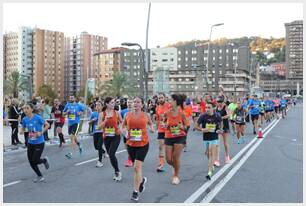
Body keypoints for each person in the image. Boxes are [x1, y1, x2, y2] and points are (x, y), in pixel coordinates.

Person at [122, 97, 154, 202]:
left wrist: (151, 128)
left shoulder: (146, 115)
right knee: (137, 169)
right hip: (131, 144)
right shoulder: (127, 115)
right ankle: (141, 181)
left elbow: (151, 124)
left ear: (142, 104)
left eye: (138, 102)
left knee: (136, 167)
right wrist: (125, 133)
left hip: (143, 144)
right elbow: (122, 127)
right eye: (134, 102)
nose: (135, 103)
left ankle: (135, 192)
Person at [20, 103, 50, 183]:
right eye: (24, 108)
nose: (25, 110)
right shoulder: (24, 119)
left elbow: (47, 125)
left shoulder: (38, 117)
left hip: (39, 142)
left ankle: (44, 161)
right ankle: (40, 176)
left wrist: (41, 132)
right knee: (31, 161)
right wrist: (21, 131)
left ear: (32, 109)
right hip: (30, 143)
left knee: (35, 160)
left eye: (27, 108)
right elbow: (22, 128)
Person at [97, 97, 123, 182]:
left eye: (114, 102)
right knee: (110, 155)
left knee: (111, 154)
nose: (113, 104)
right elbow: (98, 127)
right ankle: (116, 171)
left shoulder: (117, 113)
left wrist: (120, 128)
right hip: (106, 137)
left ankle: (117, 172)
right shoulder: (102, 114)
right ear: (107, 104)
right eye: (111, 102)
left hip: (116, 136)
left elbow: (123, 123)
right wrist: (105, 121)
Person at [164, 94, 187, 185]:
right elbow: (163, 122)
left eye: (170, 100)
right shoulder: (167, 112)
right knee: (169, 159)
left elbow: (186, 126)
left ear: (175, 101)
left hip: (179, 137)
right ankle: (176, 167)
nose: (169, 101)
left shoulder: (182, 113)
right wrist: (165, 125)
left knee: (175, 157)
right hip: (169, 136)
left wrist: (182, 126)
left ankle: (176, 176)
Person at [195, 101, 222, 180]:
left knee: (211, 152)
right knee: (208, 153)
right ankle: (212, 163)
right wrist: (202, 129)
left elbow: (221, 123)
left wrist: (219, 130)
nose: (207, 109)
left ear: (213, 108)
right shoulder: (203, 116)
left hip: (214, 137)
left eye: (209, 107)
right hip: (206, 137)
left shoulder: (217, 116)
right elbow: (196, 126)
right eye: (206, 107)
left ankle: (209, 172)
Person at [155, 93, 171, 172]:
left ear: (164, 98)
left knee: (169, 147)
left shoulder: (169, 106)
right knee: (161, 146)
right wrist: (156, 127)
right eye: (159, 98)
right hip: (161, 129)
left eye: (161, 98)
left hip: (169, 129)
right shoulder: (157, 107)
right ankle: (161, 164)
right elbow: (158, 119)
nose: (160, 99)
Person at [215, 96, 231, 166]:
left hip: (225, 126)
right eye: (218, 102)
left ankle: (227, 156)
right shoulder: (216, 108)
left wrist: (221, 117)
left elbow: (229, 115)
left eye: (221, 102)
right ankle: (217, 160)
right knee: (217, 144)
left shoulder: (225, 107)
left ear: (223, 102)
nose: (219, 103)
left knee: (225, 143)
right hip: (218, 127)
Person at [90, 101, 106, 167]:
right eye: (96, 105)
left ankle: (99, 161)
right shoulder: (93, 113)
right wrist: (93, 120)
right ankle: (103, 152)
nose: (97, 106)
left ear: (102, 106)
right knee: (96, 147)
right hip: (95, 132)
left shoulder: (104, 114)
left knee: (99, 146)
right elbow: (89, 122)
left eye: (99, 105)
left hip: (102, 132)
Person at [120, 98, 134, 167]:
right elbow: (121, 122)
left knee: (132, 146)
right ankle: (130, 157)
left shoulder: (136, 112)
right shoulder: (123, 112)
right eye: (128, 102)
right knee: (127, 147)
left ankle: (130, 159)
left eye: (131, 102)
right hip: (126, 132)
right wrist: (123, 130)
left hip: (134, 132)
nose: (129, 103)